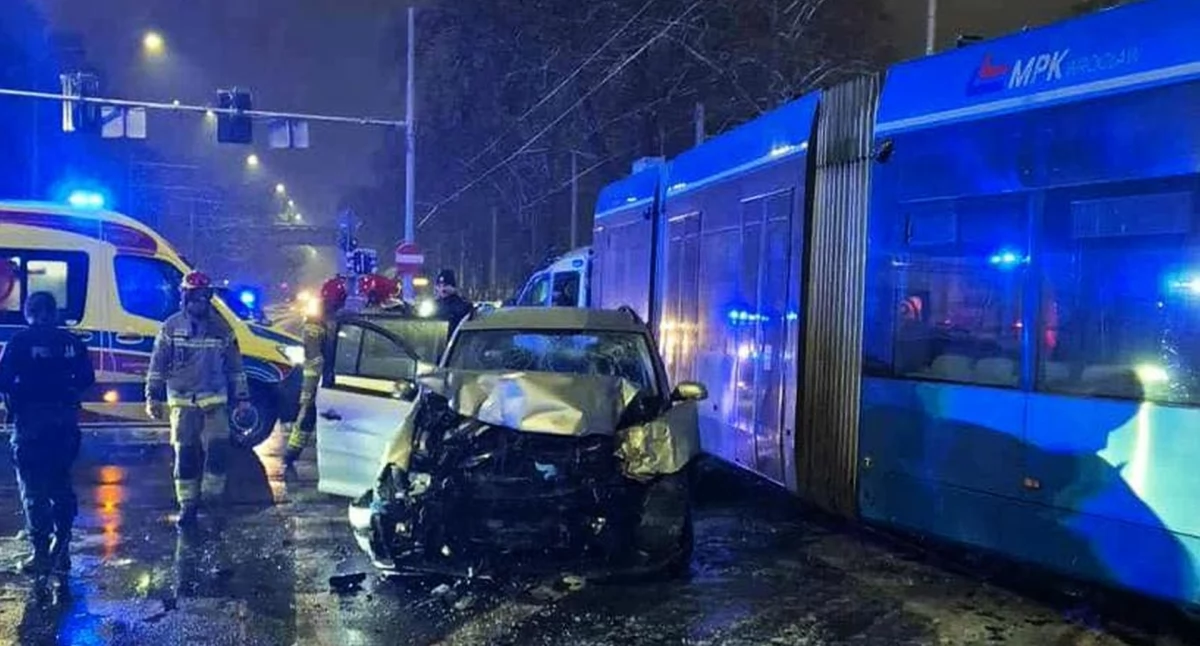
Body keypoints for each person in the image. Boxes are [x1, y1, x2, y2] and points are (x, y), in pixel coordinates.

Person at [145, 270, 251, 529]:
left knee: (217, 453)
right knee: (186, 455)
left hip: (215, 403)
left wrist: (242, 398)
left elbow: (235, 366)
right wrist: (153, 396)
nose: (199, 301)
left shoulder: (222, 329)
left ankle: (213, 500)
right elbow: (157, 365)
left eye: (204, 296)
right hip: (182, 403)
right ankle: (188, 506)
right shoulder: (171, 327)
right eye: (195, 296)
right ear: (185, 296)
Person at [0, 292, 95, 576]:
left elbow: (3, 379)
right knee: (61, 486)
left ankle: (41, 554)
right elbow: (87, 378)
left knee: (34, 492)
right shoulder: (71, 342)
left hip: (30, 425)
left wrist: (22, 391)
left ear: (29, 313)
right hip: (64, 423)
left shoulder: (20, 342)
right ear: (54, 313)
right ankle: (62, 549)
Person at [283, 277, 347, 472]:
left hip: (332, 375)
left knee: (321, 417)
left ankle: (293, 454)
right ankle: (290, 455)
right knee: (309, 415)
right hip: (320, 378)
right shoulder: (317, 320)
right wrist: (308, 392)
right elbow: (314, 360)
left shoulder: (334, 317)